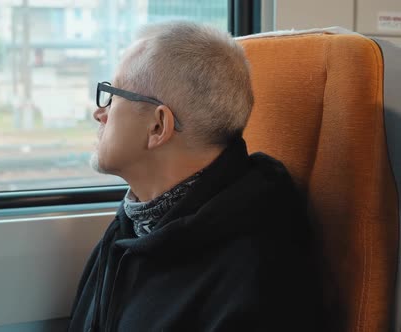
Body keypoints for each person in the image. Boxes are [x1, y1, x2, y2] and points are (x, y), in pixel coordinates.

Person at [68, 21, 323, 332]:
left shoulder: (259, 274)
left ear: (158, 126)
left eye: (112, 94)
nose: (100, 113)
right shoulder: (129, 227)